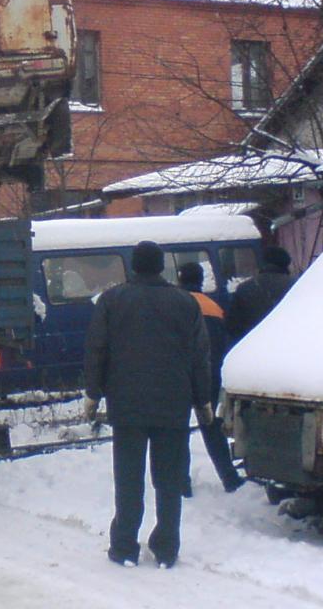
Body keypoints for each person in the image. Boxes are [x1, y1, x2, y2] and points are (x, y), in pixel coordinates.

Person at [83, 241, 212, 570]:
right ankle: (166, 547)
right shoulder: (185, 303)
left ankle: (125, 545)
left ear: (133, 266)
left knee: (129, 478)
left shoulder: (112, 301)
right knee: (168, 480)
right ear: (161, 267)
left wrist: (93, 393)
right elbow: (199, 356)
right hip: (174, 404)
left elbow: (97, 348)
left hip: (127, 405)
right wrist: (203, 400)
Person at [177, 262, 244, 494]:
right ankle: (229, 477)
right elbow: (221, 345)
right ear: (201, 280)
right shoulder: (213, 307)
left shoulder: (175, 304)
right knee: (212, 428)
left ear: (179, 279)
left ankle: (182, 483)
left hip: (181, 376)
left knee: (179, 430)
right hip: (210, 376)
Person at [225, 246, 296, 341]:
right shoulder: (296, 286)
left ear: (263, 263)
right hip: (290, 342)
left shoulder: (245, 288)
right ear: (286, 264)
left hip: (255, 345)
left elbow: (232, 326)